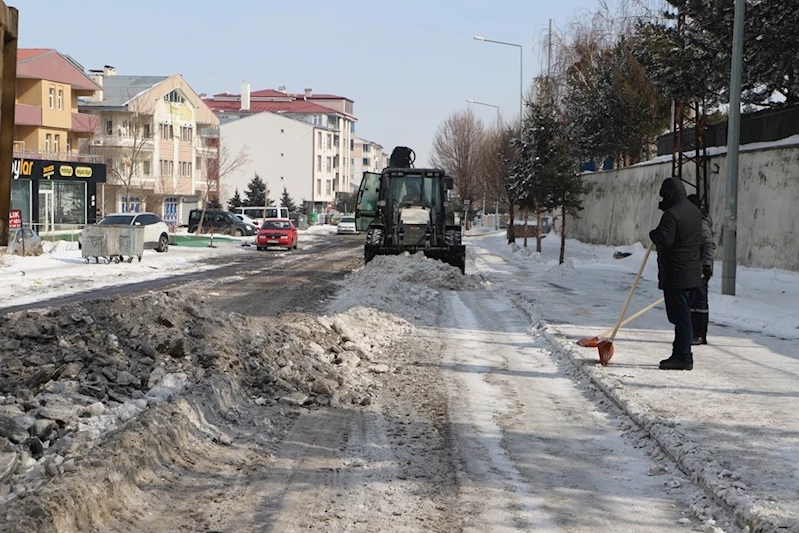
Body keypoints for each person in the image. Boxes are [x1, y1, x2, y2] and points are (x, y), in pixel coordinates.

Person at [649, 177, 703, 370]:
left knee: (680, 318)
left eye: (664, 196)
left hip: (677, 274)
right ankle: (680, 354)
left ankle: (683, 357)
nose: (662, 200)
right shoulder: (694, 211)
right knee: (682, 316)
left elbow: (665, 240)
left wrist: (654, 234)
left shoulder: (672, 215)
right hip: (692, 272)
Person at [687, 194, 716, 345]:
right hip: (691, 268)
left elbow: (708, 245)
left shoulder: (702, 223)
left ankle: (700, 334)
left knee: (700, 302)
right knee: (691, 302)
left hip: (701, 269)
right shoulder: (691, 221)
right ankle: (692, 332)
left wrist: (706, 266)